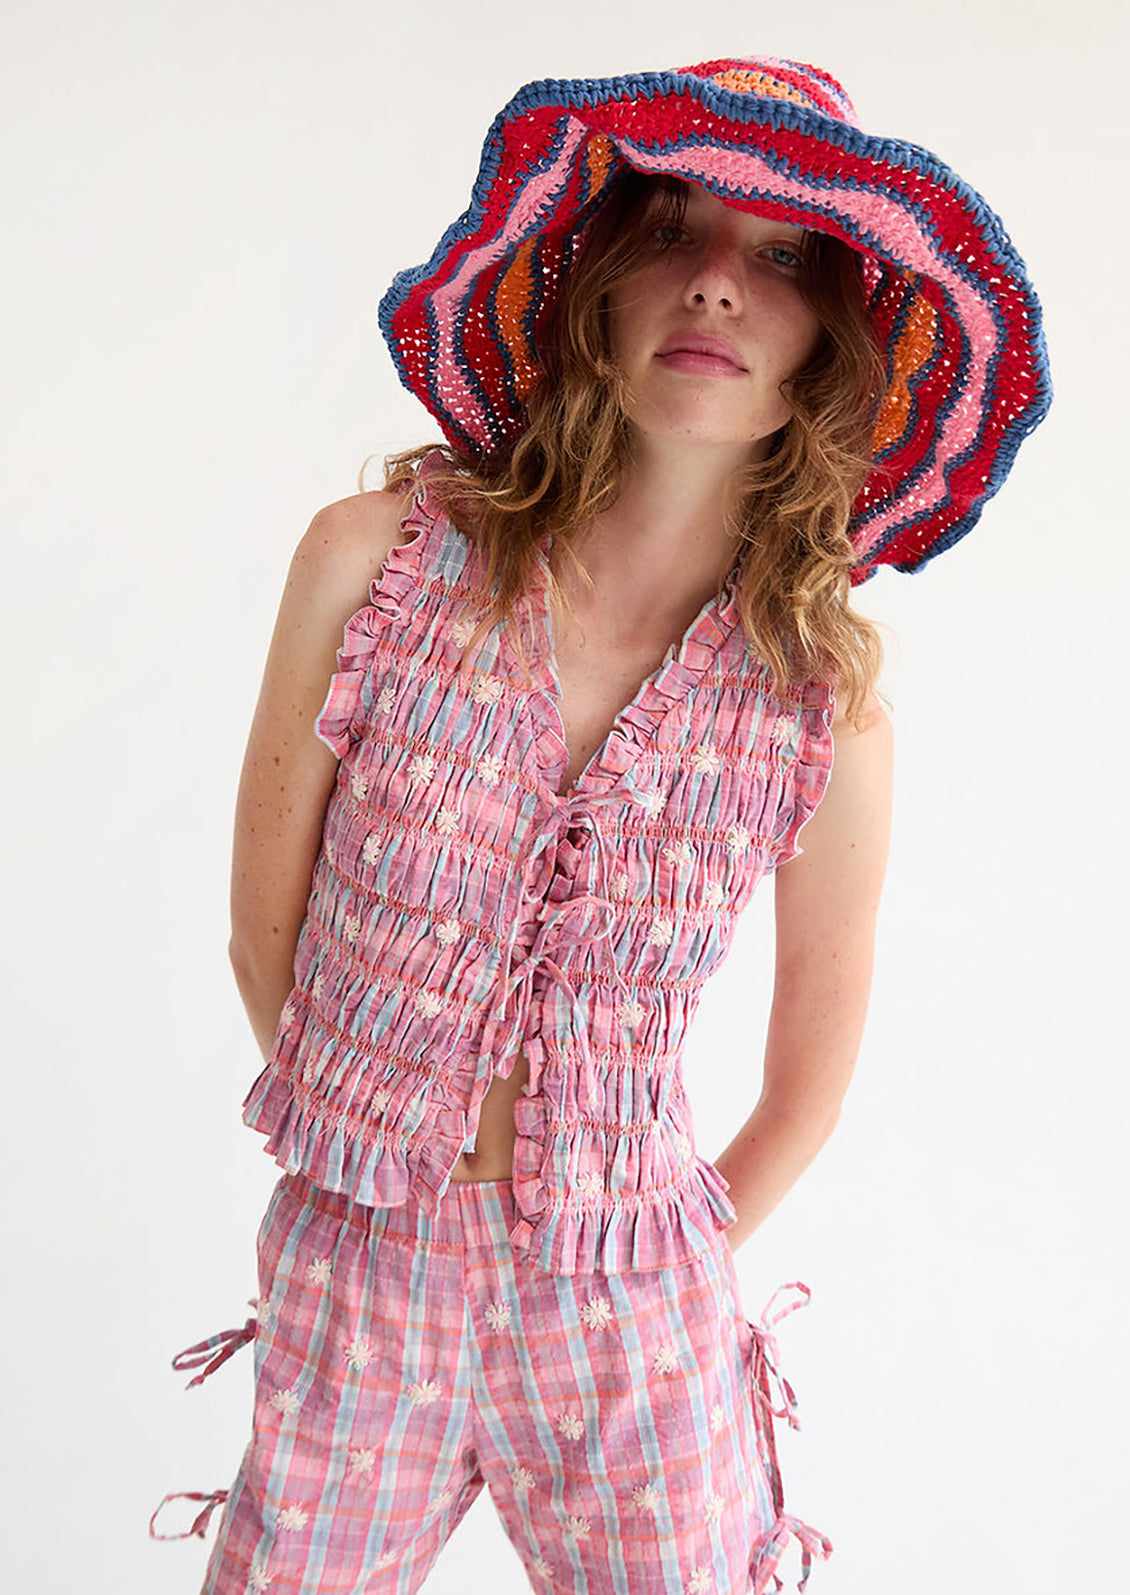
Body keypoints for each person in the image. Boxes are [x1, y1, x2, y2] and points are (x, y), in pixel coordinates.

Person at [149, 55, 1051, 1595]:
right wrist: (375, 1141)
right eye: (671, 235)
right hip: (356, 1264)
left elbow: (806, 1085)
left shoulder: (818, 708)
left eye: (777, 259)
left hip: (632, 1314)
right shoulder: (372, 559)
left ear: (827, 345)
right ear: (596, 290)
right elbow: (265, 929)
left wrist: (651, 1257)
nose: (714, 287)